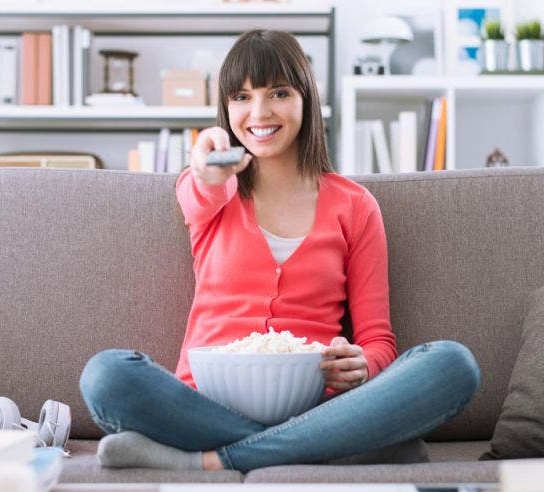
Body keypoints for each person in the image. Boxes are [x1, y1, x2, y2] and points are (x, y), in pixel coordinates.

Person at [79, 29, 481, 473]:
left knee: (451, 365)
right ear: (226, 108)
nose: (259, 112)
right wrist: (206, 172)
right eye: (242, 97)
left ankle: (214, 461)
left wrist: (362, 365)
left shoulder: (355, 206)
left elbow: (378, 341)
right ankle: (340, 450)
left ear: (306, 97)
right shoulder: (214, 189)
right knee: (106, 374)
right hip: (203, 404)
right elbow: (201, 189)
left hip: (316, 406)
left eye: (278, 93)